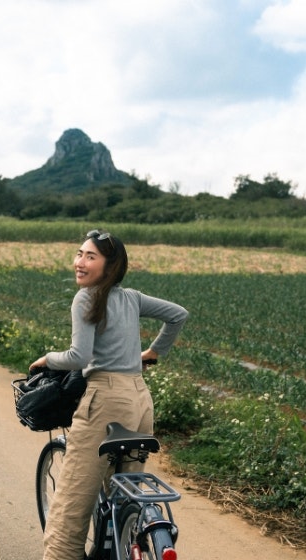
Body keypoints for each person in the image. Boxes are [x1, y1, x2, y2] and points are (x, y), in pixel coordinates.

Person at [29, 229, 188, 560]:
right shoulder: (132, 297)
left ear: (109, 265)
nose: (80, 262)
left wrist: (48, 359)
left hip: (105, 403)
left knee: (69, 509)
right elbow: (178, 314)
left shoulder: (86, 298)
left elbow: (79, 357)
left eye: (90, 256)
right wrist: (153, 353)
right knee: (124, 498)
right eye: (79, 254)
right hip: (140, 402)